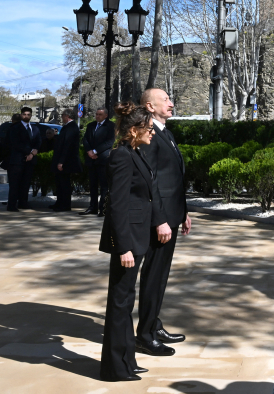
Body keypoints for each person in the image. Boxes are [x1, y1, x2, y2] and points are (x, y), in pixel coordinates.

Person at [99, 101, 155, 382]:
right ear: (134, 130)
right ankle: (114, 368)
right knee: (120, 303)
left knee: (126, 301)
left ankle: (126, 360)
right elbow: (118, 206)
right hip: (127, 241)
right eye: (149, 128)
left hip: (137, 237)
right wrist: (123, 248)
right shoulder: (121, 156)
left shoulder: (134, 152)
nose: (152, 132)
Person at [136, 88, 189, 356]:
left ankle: (154, 325)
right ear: (149, 106)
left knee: (161, 276)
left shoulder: (165, 131)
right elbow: (151, 181)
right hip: (160, 220)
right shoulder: (149, 134)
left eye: (170, 98)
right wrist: (160, 220)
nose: (171, 103)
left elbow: (174, 177)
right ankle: (145, 336)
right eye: (165, 100)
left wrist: (184, 212)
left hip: (172, 214)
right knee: (154, 275)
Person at [6, 107, 41, 212]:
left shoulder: (35, 128)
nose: (26, 116)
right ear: (21, 115)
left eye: (28, 114)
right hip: (17, 160)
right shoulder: (15, 128)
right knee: (15, 184)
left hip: (30, 161)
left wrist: (34, 152)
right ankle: (11, 205)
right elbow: (16, 143)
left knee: (26, 183)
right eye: (24, 114)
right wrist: (30, 152)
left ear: (31, 115)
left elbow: (39, 142)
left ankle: (23, 203)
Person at [82, 107, 116, 216]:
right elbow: (85, 139)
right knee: (92, 185)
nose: (97, 116)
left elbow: (109, 142)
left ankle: (103, 208)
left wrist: (95, 151)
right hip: (91, 159)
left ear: (106, 115)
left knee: (103, 185)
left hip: (102, 159)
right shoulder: (91, 125)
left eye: (100, 114)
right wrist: (89, 151)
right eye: (96, 114)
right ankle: (92, 207)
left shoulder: (110, 126)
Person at [51, 108, 82, 212]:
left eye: (63, 115)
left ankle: (65, 205)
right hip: (62, 160)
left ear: (67, 116)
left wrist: (61, 162)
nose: (61, 117)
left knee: (64, 184)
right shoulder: (67, 127)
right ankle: (59, 203)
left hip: (66, 162)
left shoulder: (71, 127)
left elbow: (67, 145)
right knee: (59, 183)